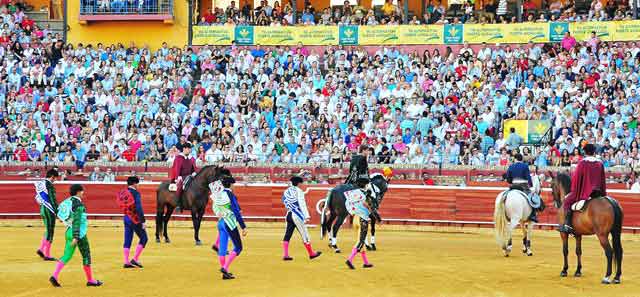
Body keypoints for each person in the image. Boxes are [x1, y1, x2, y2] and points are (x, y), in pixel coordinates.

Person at [49, 184, 103, 287]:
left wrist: (67, 221)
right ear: (78, 192)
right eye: (82, 191)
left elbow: (60, 215)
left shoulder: (67, 202)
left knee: (67, 255)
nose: (83, 193)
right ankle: (91, 280)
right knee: (86, 256)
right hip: (78, 234)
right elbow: (77, 221)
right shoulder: (78, 205)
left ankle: (54, 276)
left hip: (68, 231)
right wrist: (76, 236)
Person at [559, 144, 607, 234]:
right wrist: (603, 193)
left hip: (586, 192)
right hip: (598, 192)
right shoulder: (600, 163)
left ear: (585, 152)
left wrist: (574, 189)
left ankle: (568, 225)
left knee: (567, 201)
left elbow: (577, 179)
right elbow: (602, 179)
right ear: (594, 152)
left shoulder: (582, 163)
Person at [211, 174, 247, 280]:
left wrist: (219, 214)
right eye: (233, 185)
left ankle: (224, 272)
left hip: (221, 223)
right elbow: (236, 211)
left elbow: (215, 207)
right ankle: (225, 268)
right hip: (229, 223)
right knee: (238, 247)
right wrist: (243, 226)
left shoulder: (218, 194)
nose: (234, 186)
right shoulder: (230, 195)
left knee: (222, 249)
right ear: (230, 185)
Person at [281, 176, 321, 261]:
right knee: (305, 235)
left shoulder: (287, 191)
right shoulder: (299, 191)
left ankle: (286, 254)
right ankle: (311, 254)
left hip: (289, 214)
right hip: (297, 216)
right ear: (299, 183)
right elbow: (302, 204)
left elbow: (284, 200)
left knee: (288, 234)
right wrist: (306, 216)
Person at [344, 180, 374, 270]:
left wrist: (352, 212)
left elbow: (347, 204)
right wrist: (370, 210)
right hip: (362, 219)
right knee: (360, 241)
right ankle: (350, 259)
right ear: (365, 185)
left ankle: (366, 262)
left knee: (362, 240)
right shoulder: (364, 194)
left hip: (355, 219)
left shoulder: (352, 193)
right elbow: (366, 205)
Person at [120, 176, 148, 269]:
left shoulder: (124, 193)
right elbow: (139, 208)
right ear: (134, 184)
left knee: (127, 239)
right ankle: (135, 259)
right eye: (138, 183)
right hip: (135, 219)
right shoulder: (135, 193)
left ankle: (126, 261)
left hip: (126, 217)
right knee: (144, 238)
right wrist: (143, 221)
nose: (138, 185)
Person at [504, 153, 540, 222]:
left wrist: (512, 182)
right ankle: (533, 215)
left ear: (515, 159)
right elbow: (528, 178)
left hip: (513, 186)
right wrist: (531, 186)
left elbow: (508, 179)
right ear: (521, 159)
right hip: (523, 186)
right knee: (532, 198)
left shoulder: (511, 166)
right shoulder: (525, 166)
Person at [35, 169, 59, 261]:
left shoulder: (40, 184)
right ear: (52, 176)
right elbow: (52, 199)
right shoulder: (49, 185)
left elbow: (37, 198)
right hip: (49, 210)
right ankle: (47, 254)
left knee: (47, 230)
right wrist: (57, 212)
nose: (55, 180)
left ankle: (41, 249)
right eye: (55, 178)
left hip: (42, 209)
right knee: (50, 231)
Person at [170, 142, 198, 211]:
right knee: (180, 186)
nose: (189, 150)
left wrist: (194, 172)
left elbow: (192, 168)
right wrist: (178, 177)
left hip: (189, 176)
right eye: (188, 149)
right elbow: (177, 168)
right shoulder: (178, 158)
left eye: (190, 149)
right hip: (181, 176)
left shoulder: (190, 158)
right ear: (184, 149)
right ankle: (178, 204)